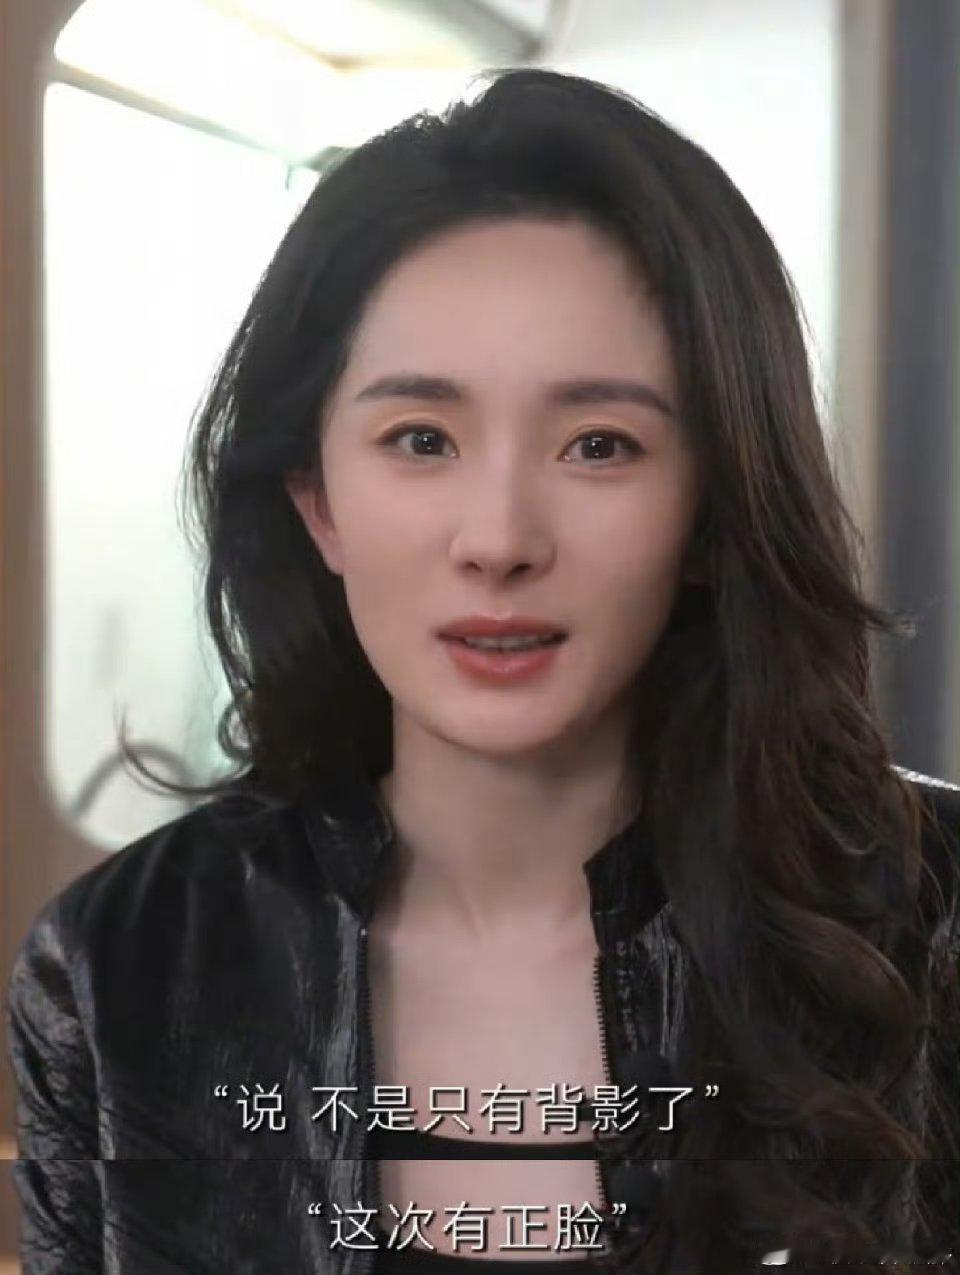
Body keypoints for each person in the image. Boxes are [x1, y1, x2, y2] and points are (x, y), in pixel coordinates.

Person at [6, 66, 959, 1275]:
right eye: (422, 440)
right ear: (318, 500)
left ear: (713, 505)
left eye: (599, 445)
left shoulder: (937, 926)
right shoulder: (121, 965)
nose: (500, 539)